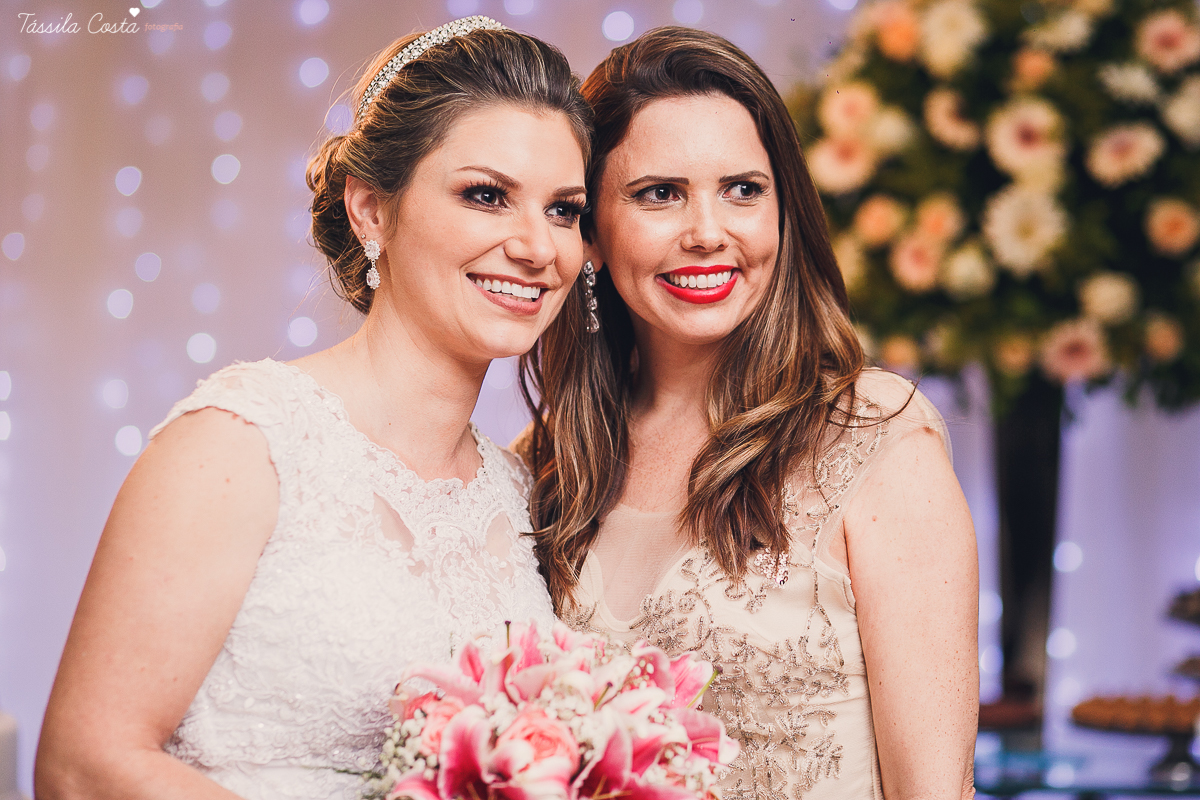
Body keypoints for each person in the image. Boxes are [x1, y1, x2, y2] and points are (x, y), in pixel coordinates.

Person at [36, 18, 591, 800]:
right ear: (370, 210)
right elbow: (82, 768)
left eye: (564, 210)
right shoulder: (242, 445)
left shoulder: (520, 489)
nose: (539, 247)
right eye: (486, 195)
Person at [518, 27, 978, 800]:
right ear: (589, 230)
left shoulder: (872, 434)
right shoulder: (543, 463)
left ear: (783, 209)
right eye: (659, 193)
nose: (707, 232)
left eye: (742, 189)